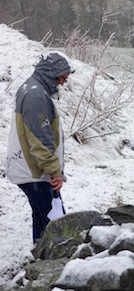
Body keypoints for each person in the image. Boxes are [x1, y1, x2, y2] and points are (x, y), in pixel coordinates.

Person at [6, 52, 73, 242]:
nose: (62, 83)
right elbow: (40, 139)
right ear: (53, 73)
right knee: (58, 224)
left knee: (42, 218)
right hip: (35, 171)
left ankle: (40, 258)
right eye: (62, 78)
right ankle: (57, 265)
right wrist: (54, 171)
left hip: (30, 169)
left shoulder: (33, 87)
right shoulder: (36, 95)